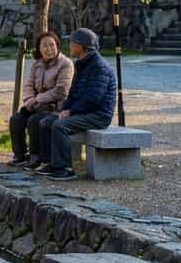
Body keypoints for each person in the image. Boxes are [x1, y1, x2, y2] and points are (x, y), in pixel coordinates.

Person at [36, 28, 116, 180]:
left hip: (98, 115)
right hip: (83, 112)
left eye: (72, 43)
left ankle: (65, 168)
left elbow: (93, 99)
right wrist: (64, 109)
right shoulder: (81, 64)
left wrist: (71, 112)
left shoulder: (99, 67)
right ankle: (51, 162)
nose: (70, 46)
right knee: (46, 122)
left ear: (82, 46)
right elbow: (72, 94)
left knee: (60, 125)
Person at [8, 31, 72, 169]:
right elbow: (28, 85)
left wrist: (38, 99)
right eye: (45, 46)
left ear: (57, 46)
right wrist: (29, 100)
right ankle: (19, 156)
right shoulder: (37, 65)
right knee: (16, 119)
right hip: (36, 105)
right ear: (39, 49)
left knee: (34, 120)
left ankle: (36, 157)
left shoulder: (66, 64)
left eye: (52, 45)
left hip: (55, 108)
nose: (49, 49)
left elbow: (62, 90)